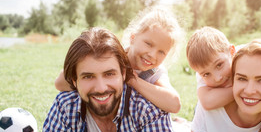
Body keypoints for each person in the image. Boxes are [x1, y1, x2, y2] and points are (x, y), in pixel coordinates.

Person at [34, 27, 178, 132]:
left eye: (109, 74)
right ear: (75, 80)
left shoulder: (147, 106)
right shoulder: (66, 106)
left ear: (124, 74)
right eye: (88, 76)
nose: (101, 88)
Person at [55, 6, 184, 113]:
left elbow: (174, 104)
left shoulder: (155, 72)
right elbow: (60, 83)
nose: (152, 55)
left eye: (161, 52)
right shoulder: (112, 56)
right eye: (148, 44)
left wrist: (132, 80)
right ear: (133, 38)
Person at [186, 26, 237, 110]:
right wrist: (242, 90)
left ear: (232, 51)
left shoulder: (244, 59)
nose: (217, 78)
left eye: (219, 65)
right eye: (207, 74)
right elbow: (207, 102)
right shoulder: (201, 73)